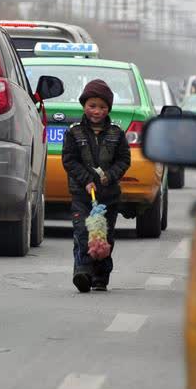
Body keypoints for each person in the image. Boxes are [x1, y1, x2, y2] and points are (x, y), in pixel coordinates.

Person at [62, 79, 131, 292]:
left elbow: (124, 160)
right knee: (83, 232)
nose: (97, 111)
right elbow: (69, 160)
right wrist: (86, 180)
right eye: (92, 106)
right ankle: (82, 271)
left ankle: (101, 276)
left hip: (108, 196)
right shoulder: (74, 133)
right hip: (82, 196)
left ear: (108, 108)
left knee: (104, 235)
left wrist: (109, 176)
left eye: (102, 107)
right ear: (84, 105)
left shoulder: (116, 134)